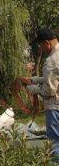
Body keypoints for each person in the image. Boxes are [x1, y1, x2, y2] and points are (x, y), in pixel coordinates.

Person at [26, 28, 59, 160]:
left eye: (40, 44)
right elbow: (54, 79)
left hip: (55, 106)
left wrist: (34, 89)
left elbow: (50, 90)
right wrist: (36, 79)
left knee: (55, 141)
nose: (40, 48)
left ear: (47, 43)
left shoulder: (52, 60)